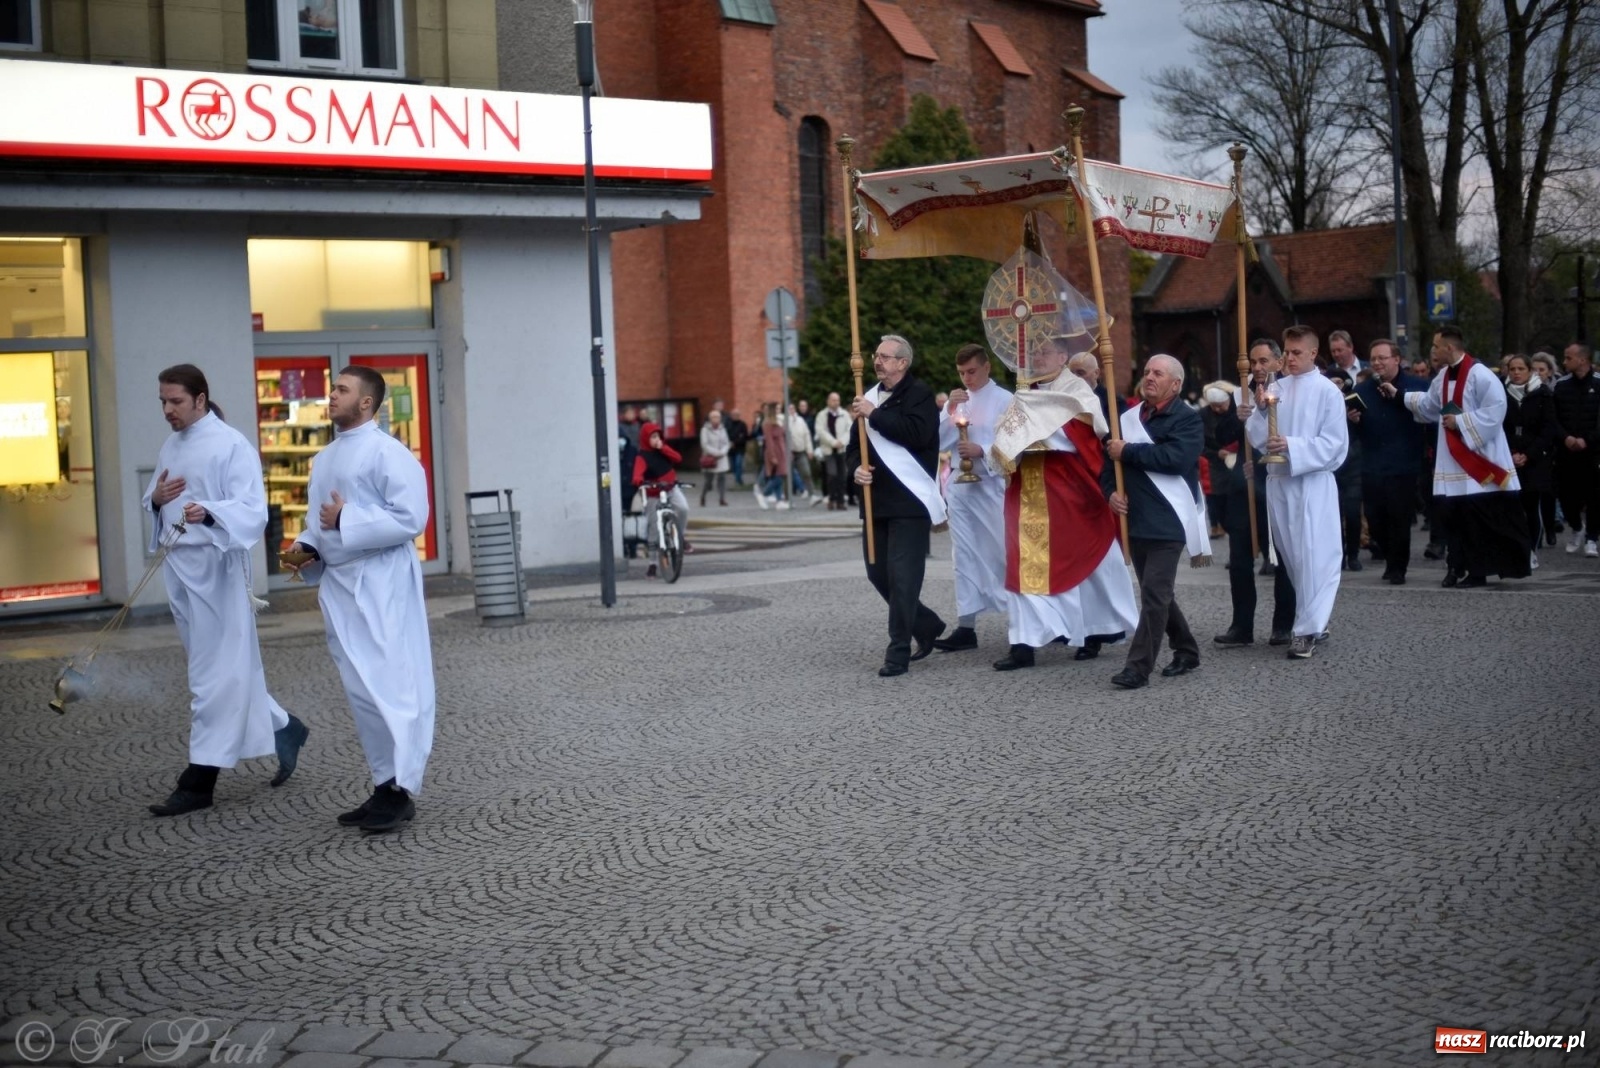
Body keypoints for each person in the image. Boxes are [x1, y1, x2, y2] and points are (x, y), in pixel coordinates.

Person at [142, 365, 307, 817]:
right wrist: (156, 499)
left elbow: (253, 511)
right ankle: (284, 727)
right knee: (219, 668)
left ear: (200, 398)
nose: (167, 410)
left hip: (216, 569)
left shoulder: (232, 445)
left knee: (212, 676)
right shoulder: (172, 444)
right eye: (163, 401)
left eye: (176, 401)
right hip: (179, 566)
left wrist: (211, 513)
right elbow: (156, 497)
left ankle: (199, 779)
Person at [286, 366, 433, 833]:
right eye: (333, 389)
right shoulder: (325, 457)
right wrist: (307, 545)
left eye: (342, 390)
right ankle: (383, 782)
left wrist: (348, 518)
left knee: (392, 682)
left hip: (381, 581)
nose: (331, 396)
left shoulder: (390, 453)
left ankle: (402, 788)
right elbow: (318, 519)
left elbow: (412, 517)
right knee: (362, 689)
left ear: (367, 403)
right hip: (341, 584)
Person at [989, 335, 1138, 671]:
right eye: (1034, 353)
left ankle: (1095, 631)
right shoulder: (1024, 393)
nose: (1037, 358)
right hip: (1026, 490)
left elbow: (1087, 435)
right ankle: (1023, 643)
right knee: (1022, 564)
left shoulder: (1076, 390)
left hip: (1071, 489)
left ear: (1062, 357)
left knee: (1087, 562)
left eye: (1044, 352)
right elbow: (1005, 433)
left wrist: (1035, 430)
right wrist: (1011, 438)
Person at [1104, 355, 1208, 690]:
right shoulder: (1128, 418)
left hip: (1168, 520)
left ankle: (1137, 668)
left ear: (1175, 384)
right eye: (1147, 371)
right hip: (1136, 519)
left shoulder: (1188, 420)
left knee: (1153, 593)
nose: (1149, 376)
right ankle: (1187, 650)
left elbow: (1174, 459)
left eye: (1158, 373)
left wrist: (1128, 451)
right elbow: (1108, 464)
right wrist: (1110, 492)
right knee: (1157, 593)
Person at [846, 334, 947, 676]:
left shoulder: (920, 394)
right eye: (876, 355)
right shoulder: (869, 397)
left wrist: (874, 414)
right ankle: (926, 623)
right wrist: (855, 470)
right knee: (878, 573)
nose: (877, 361)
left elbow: (917, 435)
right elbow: (852, 448)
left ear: (903, 362)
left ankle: (898, 651)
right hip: (875, 502)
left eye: (885, 357)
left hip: (909, 502)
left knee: (903, 578)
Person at [1246, 325, 1348, 659]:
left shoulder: (1327, 392)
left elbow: (1335, 446)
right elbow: (1257, 436)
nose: (1289, 358)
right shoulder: (1277, 388)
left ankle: (1305, 631)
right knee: (1293, 560)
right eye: (1287, 352)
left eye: (1296, 353)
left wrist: (1291, 445)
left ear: (1313, 353)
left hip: (1312, 483)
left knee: (1316, 557)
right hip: (1280, 483)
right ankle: (1315, 620)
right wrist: (1261, 412)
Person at [1401, 326, 1532, 587]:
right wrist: (1399, 396)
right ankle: (1455, 567)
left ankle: (1478, 571)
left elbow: (1496, 410)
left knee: (1477, 521)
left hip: (1480, 461)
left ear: (1449, 347)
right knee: (1454, 518)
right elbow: (1429, 406)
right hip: (1452, 461)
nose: (1433, 350)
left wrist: (1461, 422)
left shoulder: (1481, 375)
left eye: (1436, 346)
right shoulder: (1441, 377)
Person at [1213, 340, 1297, 648]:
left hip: (1275, 484)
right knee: (1239, 560)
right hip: (1244, 489)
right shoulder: (1242, 393)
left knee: (1282, 559)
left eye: (1263, 361)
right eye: (1253, 361)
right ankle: (1241, 626)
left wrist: (1260, 466)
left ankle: (1283, 625)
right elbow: (1220, 436)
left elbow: (1289, 437)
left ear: (1278, 361)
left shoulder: (1290, 390)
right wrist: (1237, 417)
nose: (1257, 367)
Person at [931, 343, 1012, 652]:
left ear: (986, 367)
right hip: (960, 485)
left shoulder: (1005, 400)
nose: (967, 379)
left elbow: (1015, 445)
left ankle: (1021, 619)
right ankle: (966, 626)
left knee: (1001, 552)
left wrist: (983, 450)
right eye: (962, 373)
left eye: (972, 371)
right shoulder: (958, 402)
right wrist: (949, 411)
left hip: (991, 485)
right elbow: (938, 441)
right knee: (962, 555)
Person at [1349, 338, 1430, 584]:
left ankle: (1397, 567)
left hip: (1404, 464)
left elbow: (1427, 418)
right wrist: (1353, 421)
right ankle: (1389, 555)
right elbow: (1353, 432)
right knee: (1374, 518)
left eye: (1382, 358)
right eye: (1373, 358)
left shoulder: (1417, 386)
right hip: (1372, 464)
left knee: (1399, 517)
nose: (1377, 362)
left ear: (1397, 359)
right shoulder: (1362, 390)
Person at [1502, 353, 1558, 568]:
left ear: (1530, 371)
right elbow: (1499, 426)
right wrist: (1511, 452)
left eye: (1521, 369)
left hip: (1534, 460)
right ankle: (1515, 549)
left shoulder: (1543, 394)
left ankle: (1532, 550)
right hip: (1509, 457)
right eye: (1512, 369)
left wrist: (1528, 454)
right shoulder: (1502, 393)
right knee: (1511, 508)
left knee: (1531, 506)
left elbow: (1548, 428)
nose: (1516, 373)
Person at [1550, 342, 1599, 557]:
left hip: (1593, 450)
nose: (1564, 362)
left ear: (1582, 360)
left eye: (1568, 358)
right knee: (1566, 495)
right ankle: (1576, 527)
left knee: (1594, 494)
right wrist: (1566, 437)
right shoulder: (1561, 385)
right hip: (1566, 450)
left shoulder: (1598, 383)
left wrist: (1588, 439)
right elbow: (1553, 417)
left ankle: (1592, 538)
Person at [633, 421, 690, 574]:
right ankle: (652, 563)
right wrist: (638, 480)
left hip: (671, 488)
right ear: (646, 439)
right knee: (654, 526)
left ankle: (680, 537)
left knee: (683, 508)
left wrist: (663, 448)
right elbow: (637, 473)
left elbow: (678, 458)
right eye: (652, 437)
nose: (656, 439)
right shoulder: (642, 456)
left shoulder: (663, 449)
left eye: (658, 436)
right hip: (654, 493)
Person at [1200, 384, 1233, 537]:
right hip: (1212, 460)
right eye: (1214, 406)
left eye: (1220, 405)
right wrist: (1216, 453)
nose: (1217, 409)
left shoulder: (1234, 411)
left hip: (1234, 458)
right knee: (1213, 495)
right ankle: (1216, 525)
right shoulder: (1203, 415)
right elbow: (1199, 442)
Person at [815, 392, 853, 510]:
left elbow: (850, 429)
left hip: (841, 449)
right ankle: (832, 498)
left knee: (842, 476)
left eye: (837, 400)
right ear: (828, 401)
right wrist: (833, 442)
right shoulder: (822, 415)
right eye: (833, 400)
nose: (836, 402)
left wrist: (842, 441)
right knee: (832, 475)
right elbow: (821, 431)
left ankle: (841, 501)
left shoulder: (844, 414)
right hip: (829, 450)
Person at [758, 402, 790, 509]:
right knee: (780, 476)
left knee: (778, 475)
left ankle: (779, 500)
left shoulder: (779, 421)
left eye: (779, 408)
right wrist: (772, 456)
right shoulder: (767, 423)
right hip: (775, 452)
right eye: (777, 409)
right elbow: (769, 441)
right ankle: (764, 494)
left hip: (781, 450)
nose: (779, 411)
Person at [1068, 351, 1112, 423]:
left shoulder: (1112, 401)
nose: (1075, 378)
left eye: (1080, 373)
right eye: (1071, 374)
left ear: (1096, 373)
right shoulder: (1065, 397)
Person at [699, 409, 731, 507]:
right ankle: (703, 496)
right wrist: (715, 453)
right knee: (708, 481)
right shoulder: (705, 429)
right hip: (710, 458)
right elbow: (704, 444)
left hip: (722, 457)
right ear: (710, 419)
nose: (716, 419)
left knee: (722, 478)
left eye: (718, 417)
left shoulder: (722, 429)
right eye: (714, 417)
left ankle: (722, 498)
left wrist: (723, 451)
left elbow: (726, 442)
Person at [786, 402, 817, 500]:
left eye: (793, 408)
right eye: (789, 409)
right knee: (787, 475)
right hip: (789, 453)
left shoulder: (800, 420)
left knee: (806, 472)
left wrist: (809, 450)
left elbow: (806, 435)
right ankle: (786, 498)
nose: (791, 410)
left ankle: (812, 494)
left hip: (800, 452)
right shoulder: (784, 421)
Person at [725, 408, 750, 487]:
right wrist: (729, 442)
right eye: (733, 415)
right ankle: (737, 478)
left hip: (740, 448)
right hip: (730, 448)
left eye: (736, 415)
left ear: (739, 416)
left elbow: (744, 436)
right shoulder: (728, 424)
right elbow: (726, 435)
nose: (735, 416)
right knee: (733, 465)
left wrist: (735, 442)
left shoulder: (742, 424)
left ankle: (738, 480)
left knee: (738, 463)